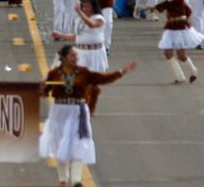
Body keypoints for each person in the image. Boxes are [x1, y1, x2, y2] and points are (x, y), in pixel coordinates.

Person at [40, 45, 136, 187]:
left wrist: (121, 72)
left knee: (79, 143)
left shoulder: (83, 73)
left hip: (78, 112)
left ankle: (76, 180)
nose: (76, 58)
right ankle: (63, 179)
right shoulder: (54, 74)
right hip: (59, 111)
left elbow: (102, 79)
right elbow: (44, 92)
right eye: (73, 55)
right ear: (65, 57)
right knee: (60, 144)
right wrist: (40, 88)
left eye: (76, 56)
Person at [146, 0, 203, 84]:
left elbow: (162, 6)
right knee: (171, 53)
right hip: (172, 27)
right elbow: (189, 10)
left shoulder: (173, 0)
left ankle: (193, 70)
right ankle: (180, 75)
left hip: (178, 28)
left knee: (179, 55)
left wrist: (150, 8)